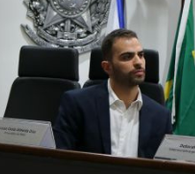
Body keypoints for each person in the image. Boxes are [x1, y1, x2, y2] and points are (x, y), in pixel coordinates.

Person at [53, 29, 172, 158]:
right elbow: (61, 160)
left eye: (141, 55)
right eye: (127, 57)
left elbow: (163, 169)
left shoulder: (161, 116)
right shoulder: (77, 104)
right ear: (107, 67)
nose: (138, 62)